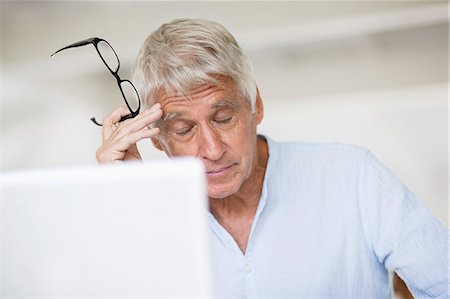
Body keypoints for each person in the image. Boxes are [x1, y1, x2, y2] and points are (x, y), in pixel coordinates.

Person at [96, 18, 448, 298]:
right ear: (157, 139)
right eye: (184, 129)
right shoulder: (149, 219)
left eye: (223, 118)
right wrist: (126, 204)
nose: (213, 148)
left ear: (256, 105)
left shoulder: (353, 177)